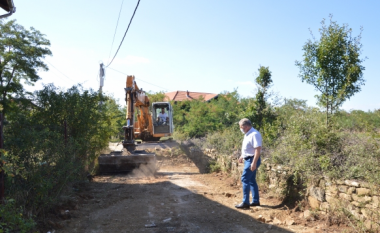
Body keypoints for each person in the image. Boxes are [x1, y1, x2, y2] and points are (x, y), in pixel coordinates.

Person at [235, 118, 262, 209]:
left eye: (241, 127)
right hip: (248, 159)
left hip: (252, 160)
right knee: (251, 180)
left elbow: (257, 150)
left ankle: (245, 202)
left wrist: (253, 163)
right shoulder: (248, 134)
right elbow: (248, 148)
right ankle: (255, 201)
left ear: (246, 126)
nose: (240, 129)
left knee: (244, 179)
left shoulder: (254, 134)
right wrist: (242, 155)